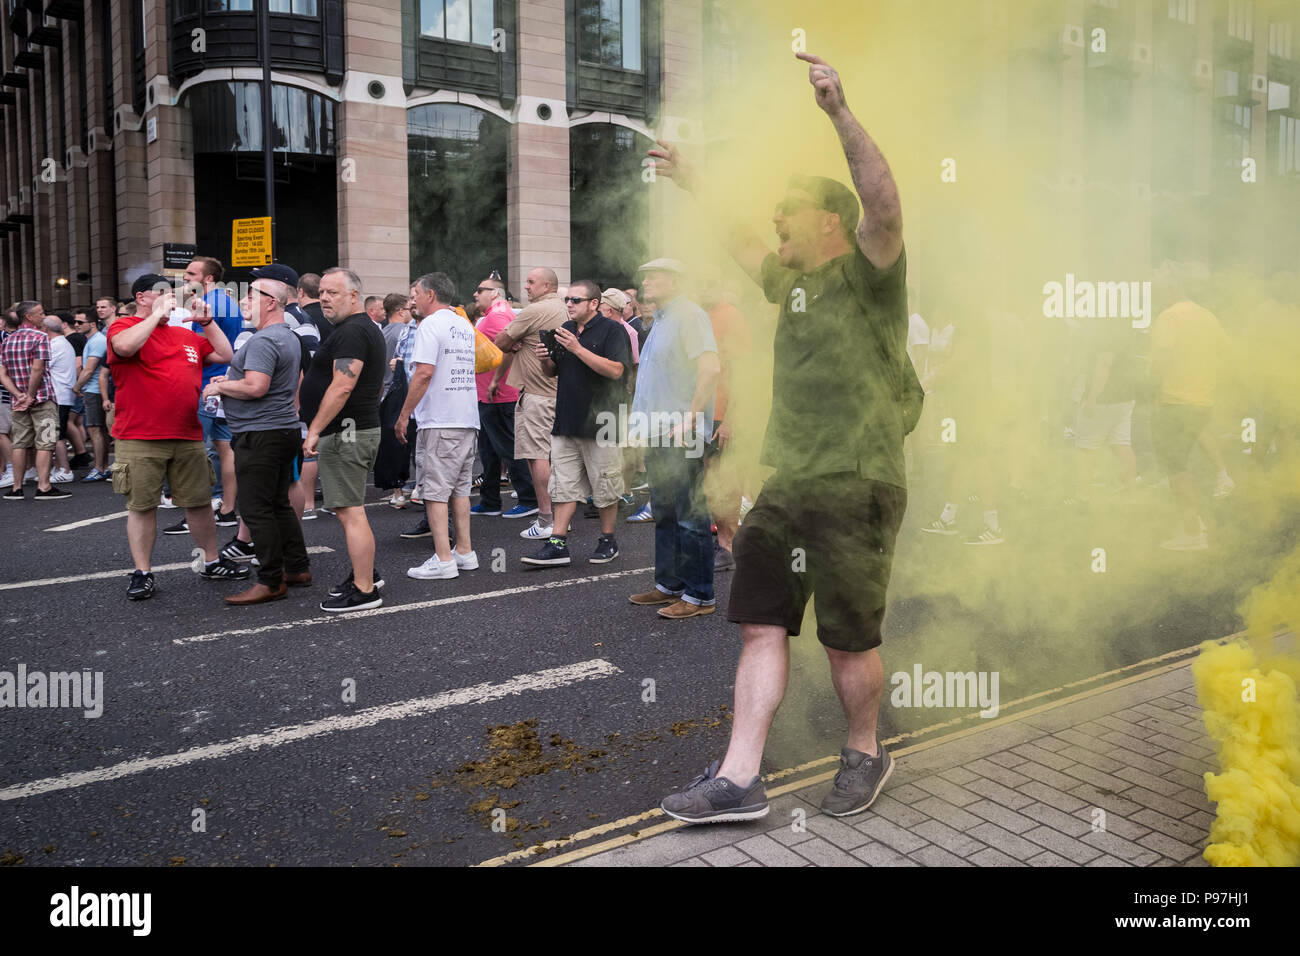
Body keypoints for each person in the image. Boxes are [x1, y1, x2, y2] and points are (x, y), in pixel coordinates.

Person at [652, 51, 920, 822]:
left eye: (788, 211)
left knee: (846, 640)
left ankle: (865, 751)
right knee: (760, 623)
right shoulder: (789, 281)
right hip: (790, 479)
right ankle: (739, 779)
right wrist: (694, 179)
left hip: (861, 478)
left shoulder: (869, 271)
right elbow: (740, 239)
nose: (774, 221)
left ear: (829, 221)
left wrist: (838, 111)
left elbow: (887, 207)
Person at [104, 275, 249, 598]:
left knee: (198, 502)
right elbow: (125, 347)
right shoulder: (123, 327)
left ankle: (211, 562)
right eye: (163, 294)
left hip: (187, 433)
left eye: (173, 295)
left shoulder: (184, 335)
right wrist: (155, 315)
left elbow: (225, 355)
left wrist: (207, 322)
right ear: (141, 297)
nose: (172, 300)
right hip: (140, 435)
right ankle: (142, 572)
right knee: (142, 506)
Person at [203, 264, 311, 605]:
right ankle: (296, 567)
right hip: (282, 430)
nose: (244, 301)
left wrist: (218, 389)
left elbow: (255, 386)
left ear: (271, 303)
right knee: (278, 503)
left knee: (255, 507)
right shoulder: (287, 336)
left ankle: (270, 580)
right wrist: (230, 383)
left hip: (261, 434)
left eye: (251, 295)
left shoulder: (265, 339)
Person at [625, 258, 720, 619]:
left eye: (655, 276)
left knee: (690, 516)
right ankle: (670, 586)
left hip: (683, 435)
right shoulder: (662, 321)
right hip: (658, 433)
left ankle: (700, 596)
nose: (646, 281)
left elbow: (710, 369)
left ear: (676, 282)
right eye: (645, 275)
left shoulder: (689, 315)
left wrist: (690, 420)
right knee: (665, 513)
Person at [521, 278, 629, 567]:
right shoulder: (565, 330)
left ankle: (608, 539)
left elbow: (617, 371)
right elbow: (553, 372)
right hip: (567, 418)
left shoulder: (613, 330)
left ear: (594, 304)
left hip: (602, 421)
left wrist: (578, 349)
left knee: (605, 485)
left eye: (575, 300)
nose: (568, 304)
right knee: (563, 485)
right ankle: (557, 542)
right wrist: (545, 358)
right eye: (567, 300)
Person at [300, 267, 387, 611]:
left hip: (346, 432)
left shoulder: (352, 331)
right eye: (321, 292)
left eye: (332, 292)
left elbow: (343, 385)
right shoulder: (358, 328)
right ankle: (366, 574)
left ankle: (365, 591)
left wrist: (316, 429)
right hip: (354, 429)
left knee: (351, 511)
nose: (323, 298)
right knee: (349, 509)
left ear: (353, 296)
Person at [395, 272, 480, 580]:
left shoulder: (430, 324)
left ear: (430, 294)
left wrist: (404, 414)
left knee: (434, 492)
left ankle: (443, 559)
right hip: (466, 417)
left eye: (414, 293)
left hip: (440, 420)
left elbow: (423, 373)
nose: (411, 300)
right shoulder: (461, 322)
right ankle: (464, 551)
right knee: (459, 489)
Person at [1149, 271, 1229, 551]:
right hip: (1202, 401)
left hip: (1175, 402)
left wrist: (1153, 394)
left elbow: (1161, 358)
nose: (1155, 300)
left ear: (1169, 290)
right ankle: (1195, 523)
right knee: (1182, 464)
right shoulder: (1207, 316)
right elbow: (1223, 353)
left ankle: (1192, 533)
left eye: (1157, 294)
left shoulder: (1169, 317)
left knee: (1176, 468)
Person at [489, 268, 567, 541]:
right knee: (559, 458)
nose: (527, 286)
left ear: (547, 285)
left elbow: (500, 341)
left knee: (538, 456)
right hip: (559, 392)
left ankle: (547, 519)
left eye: (532, 282)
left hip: (538, 394)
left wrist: (514, 343)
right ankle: (559, 519)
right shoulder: (564, 308)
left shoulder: (536, 310)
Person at [470, 274, 538, 520]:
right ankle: (490, 501)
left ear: (495, 293)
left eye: (481, 289)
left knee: (508, 449)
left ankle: (529, 498)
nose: (475, 294)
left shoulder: (498, 314)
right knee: (490, 451)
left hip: (498, 394)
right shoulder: (496, 313)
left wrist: (496, 381)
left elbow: (512, 347)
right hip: (491, 394)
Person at [0, 301, 71, 500]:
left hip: (18, 401)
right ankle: (44, 486)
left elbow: (2, 374)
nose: (44, 316)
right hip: (42, 399)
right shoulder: (40, 337)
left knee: (19, 443)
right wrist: (30, 395)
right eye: (40, 313)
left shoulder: (8, 340)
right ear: (29, 317)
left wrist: (18, 395)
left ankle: (16, 487)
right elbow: (37, 369)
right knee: (45, 442)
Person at [41, 317, 79, 481]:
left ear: (45, 328)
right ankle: (59, 468)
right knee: (55, 434)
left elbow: (42, 367)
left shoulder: (55, 345)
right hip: (61, 395)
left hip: (58, 395)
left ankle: (64, 469)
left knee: (55, 435)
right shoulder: (62, 343)